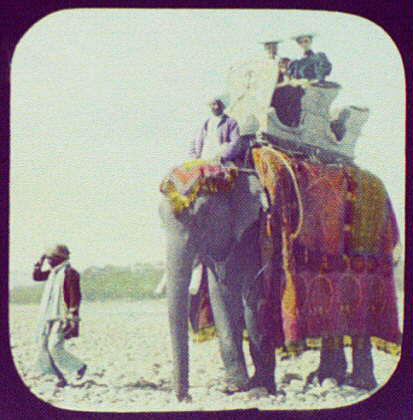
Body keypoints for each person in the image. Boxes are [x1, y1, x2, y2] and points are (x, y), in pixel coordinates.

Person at [33, 244, 87, 388]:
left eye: (51, 258)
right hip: (48, 316)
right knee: (43, 347)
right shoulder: (52, 273)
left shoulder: (70, 273)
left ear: (58, 258)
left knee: (54, 346)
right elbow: (37, 276)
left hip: (62, 316)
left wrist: (72, 317)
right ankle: (59, 378)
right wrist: (41, 260)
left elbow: (76, 296)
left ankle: (79, 366)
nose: (49, 261)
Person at [189, 97, 244, 163]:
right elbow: (194, 141)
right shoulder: (205, 122)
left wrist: (223, 157)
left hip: (220, 161)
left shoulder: (230, 122)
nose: (216, 107)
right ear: (210, 106)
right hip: (204, 160)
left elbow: (236, 143)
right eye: (214, 104)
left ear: (223, 106)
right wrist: (194, 157)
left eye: (219, 104)